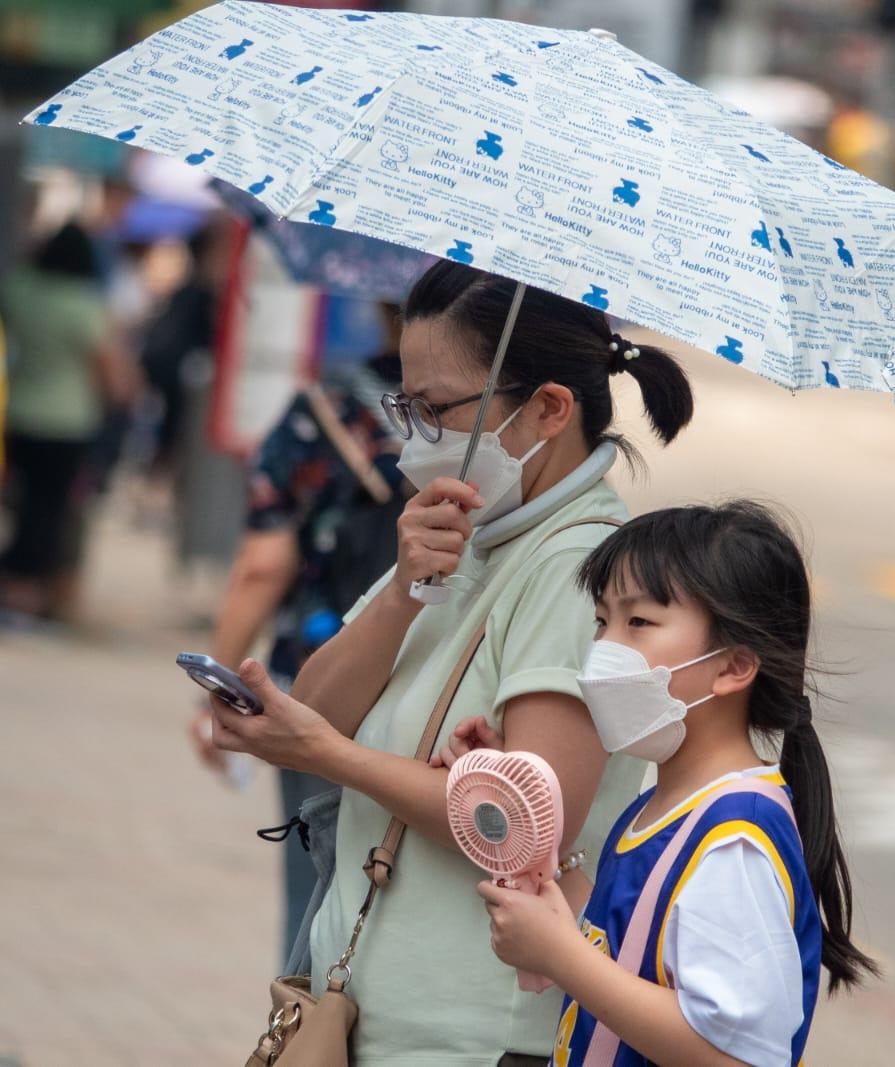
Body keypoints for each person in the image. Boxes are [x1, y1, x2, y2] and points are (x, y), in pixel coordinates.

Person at [207, 261, 695, 1066]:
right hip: (369, 1011)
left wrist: (328, 758)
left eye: (437, 411)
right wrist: (402, 589)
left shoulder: (582, 567)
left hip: (468, 1036)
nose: (416, 438)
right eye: (408, 407)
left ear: (547, 409)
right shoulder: (469, 529)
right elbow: (317, 707)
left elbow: (530, 821)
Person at [455, 502, 874, 1066]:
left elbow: (738, 1057)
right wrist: (524, 813)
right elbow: (628, 940)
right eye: (602, 621)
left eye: (639, 623)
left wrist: (558, 955)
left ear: (733, 667)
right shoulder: (658, 809)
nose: (605, 648)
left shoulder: (734, 839)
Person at [187, 304, 407, 964]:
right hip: (433, 684)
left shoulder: (323, 410)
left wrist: (216, 687)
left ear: (375, 304)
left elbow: (263, 563)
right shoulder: (483, 425)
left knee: (314, 895)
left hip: (318, 680)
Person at [0, 222, 135, 622]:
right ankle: (22, 592)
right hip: (67, 422)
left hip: (17, 413)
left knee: (20, 505)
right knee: (48, 510)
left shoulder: (19, 289)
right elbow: (111, 374)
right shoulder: (85, 303)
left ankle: (15, 584)